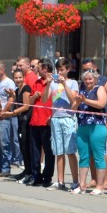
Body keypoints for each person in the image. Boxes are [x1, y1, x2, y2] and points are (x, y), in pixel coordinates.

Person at [42, 57, 79, 192]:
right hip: (56, 118)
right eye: (58, 70)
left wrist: (64, 84)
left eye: (62, 70)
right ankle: (60, 181)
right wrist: (48, 84)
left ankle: (75, 181)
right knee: (59, 151)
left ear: (68, 70)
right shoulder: (52, 84)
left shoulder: (73, 83)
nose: (60, 72)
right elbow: (45, 99)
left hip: (68, 118)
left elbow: (73, 99)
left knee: (70, 151)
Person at [73, 69, 107, 195]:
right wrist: (77, 102)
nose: (88, 81)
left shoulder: (99, 89)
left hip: (97, 126)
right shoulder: (81, 91)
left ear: (95, 79)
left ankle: (100, 186)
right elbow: (73, 108)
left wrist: (85, 101)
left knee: (98, 156)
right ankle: (81, 185)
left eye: (90, 79)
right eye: (86, 79)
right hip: (83, 126)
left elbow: (101, 104)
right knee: (83, 156)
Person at [80, 59, 107, 190]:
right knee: (90, 153)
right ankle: (94, 179)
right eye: (84, 70)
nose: (87, 72)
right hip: (85, 122)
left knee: (101, 153)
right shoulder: (83, 83)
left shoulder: (105, 82)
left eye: (90, 69)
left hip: (99, 121)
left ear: (95, 68)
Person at [28, 59, 56, 188]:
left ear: (45, 68)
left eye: (39, 67)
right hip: (35, 120)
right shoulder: (37, 82)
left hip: (47, 121)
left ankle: (47, 176)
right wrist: (34, 96)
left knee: (48, 151)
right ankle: (36, 175)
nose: (37, 69)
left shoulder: (54, 82)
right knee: (35, 150)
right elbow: (30, 101)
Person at [0, 61, 17, 177]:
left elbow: (11, 99)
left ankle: (6, 168)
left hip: (4, 117)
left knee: (4, 143)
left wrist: (4, 111)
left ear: (2, 70)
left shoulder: (9, 83)